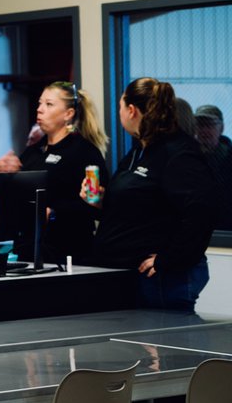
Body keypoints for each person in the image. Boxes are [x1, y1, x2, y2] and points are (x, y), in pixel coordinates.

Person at [89, 78, 218, 312]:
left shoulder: (178, 153)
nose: (119, 114)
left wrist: (167, 259)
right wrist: (101, 202)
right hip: (127, 277)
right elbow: (140, 204)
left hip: (162, 281)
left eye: (120, 107)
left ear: (131, 110)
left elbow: (200, 213)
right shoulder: (139, 151)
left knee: (168, 348)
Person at [0, 82, 108, 263]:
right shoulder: (33, 151)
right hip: (28, 250)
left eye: (49, 104)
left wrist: (54, 213)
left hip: (69, 251)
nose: (40, 109)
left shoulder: (84, 152)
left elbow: (98, 207)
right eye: (39, 103)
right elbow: (8, 197)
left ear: (68, 114)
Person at [195, 104, 232, 229]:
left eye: (209, 125)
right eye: (200, 125)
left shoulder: (229, 158)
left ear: (221, 128)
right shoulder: (187, 157)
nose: (204, 130)